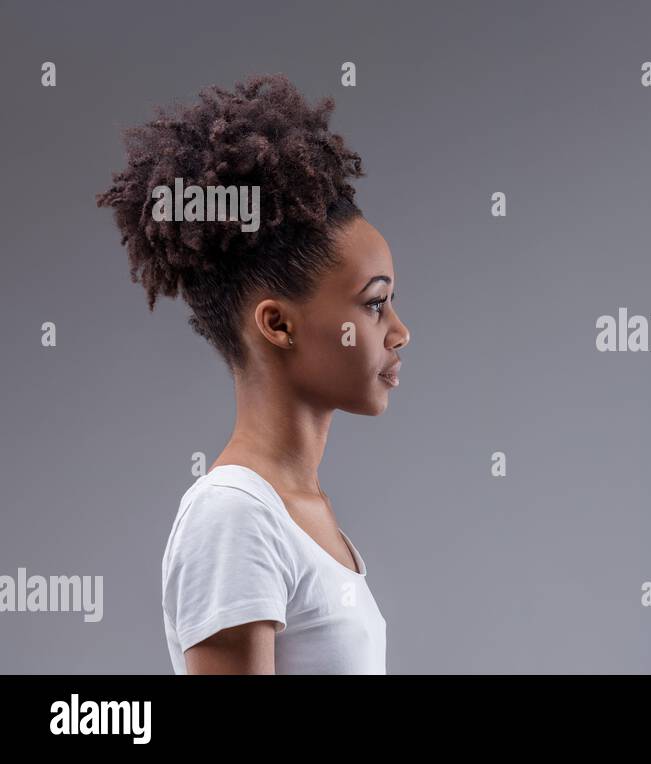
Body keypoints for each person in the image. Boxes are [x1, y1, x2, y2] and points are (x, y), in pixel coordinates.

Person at [97, 74, 410, 674]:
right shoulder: (234, 517)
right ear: (278, 325)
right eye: (374, 303)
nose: (399, 331)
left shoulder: (302, 510)